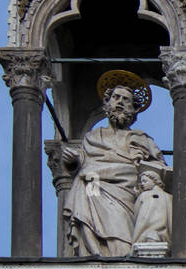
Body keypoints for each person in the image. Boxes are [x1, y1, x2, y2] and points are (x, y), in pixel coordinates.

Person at [63, 75, 166, 256]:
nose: (119, 102)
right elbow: (84, 163)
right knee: (86, 181)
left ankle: (120, 256)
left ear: (133, 109)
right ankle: (93, 251)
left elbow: (159, 170)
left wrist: (140, 163)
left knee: (120, 231)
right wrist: (74, 161)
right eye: (115, 98)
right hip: (94, 186)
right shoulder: (92, 137)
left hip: (126, 191)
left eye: (125, 100)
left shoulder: (141, 139)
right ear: (107, 103)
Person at [130, 166, 171, 247]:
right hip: (163, 237)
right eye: (141, 182)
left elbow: (135, 215)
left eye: (145, 181)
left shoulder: (144, 195)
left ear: (154, 181)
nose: (142, 184)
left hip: (144, 236)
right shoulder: (169, 197)